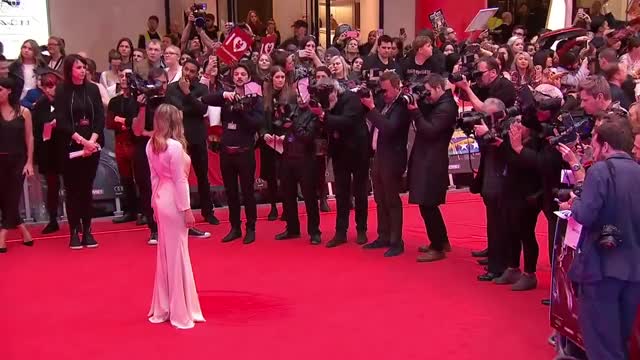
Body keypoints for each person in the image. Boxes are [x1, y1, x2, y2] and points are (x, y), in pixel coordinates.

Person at [559, 116, 640, 360]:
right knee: (620, 340)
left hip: (601, 270)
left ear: (605, 146)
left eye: (594, 145)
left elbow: (585, 214)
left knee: (603, 345)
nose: (593, 150)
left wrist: (574, 204)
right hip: (633, 271)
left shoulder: (600, 171)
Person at [146, 103, 205, 329]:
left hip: (161, 198)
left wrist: (153, 202)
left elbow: (153, 177)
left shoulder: (151, 145)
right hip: (174, 201)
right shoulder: (173, 147)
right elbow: (181, 181)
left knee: (165, 254)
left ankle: (166, 306)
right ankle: (181, 309)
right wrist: (187, 209)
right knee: (178, 252)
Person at [202, 63, 264, 244]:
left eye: (243, 74)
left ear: (249, 77)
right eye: (236, 74)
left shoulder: (255, 99)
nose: (239, 76)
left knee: (248, 192)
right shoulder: (226, 96)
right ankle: (235, 227)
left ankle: (250, 228)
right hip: (226, 152)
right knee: (230, 192)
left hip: (245, 152)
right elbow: (205, 99)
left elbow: (257, 123)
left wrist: (242, 110)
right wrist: (223, 95)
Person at [54, 54, 104, 249]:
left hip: (92, 147)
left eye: (84, 67)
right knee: (73, 190)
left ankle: (88, 230)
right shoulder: (62, 90)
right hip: (70, 147)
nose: (82, 71)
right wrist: (81, 141)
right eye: (78, 68)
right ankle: (74, 231)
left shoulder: (93, 89)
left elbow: (99, 117)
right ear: (69, 70)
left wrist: (91, 142)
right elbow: (63, 121)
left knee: (86, 190)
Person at [360, 72, 411, 257]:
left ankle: (397, 241)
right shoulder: (384, 103)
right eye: (381, 90)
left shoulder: (401, 105)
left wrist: (372, 107)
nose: (384, 94)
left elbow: (389, 128)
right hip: (379, 156)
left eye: (387, 90)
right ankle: (383, 236)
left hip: (393, 157)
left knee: (391, 199)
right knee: (380, 198)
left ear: (397, 87)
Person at [409, 74, 457, 262]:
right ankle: (441, 241)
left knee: (428, 202)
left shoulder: (446, 106)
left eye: (428, 91)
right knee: (427, 203)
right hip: (428, 157)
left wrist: (415, 111)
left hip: (432, 159)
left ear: (438, 88)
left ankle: (438, 247)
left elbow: (430, 130)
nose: (426, 95)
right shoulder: (440, 103)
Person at [166, 58, 219, 225]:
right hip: (178, 138)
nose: (188, 73)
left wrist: (188, 93)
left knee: (203, 176)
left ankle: (208, 212)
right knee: (178, 178)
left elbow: (203, 110)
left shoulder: (202, 88)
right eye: (186, 70)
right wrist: (192, 104)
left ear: (197, 74)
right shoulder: (171, 88)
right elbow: (176, 109)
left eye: (192, 71)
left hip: (197, 137)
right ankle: (180, 212)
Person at [319, 78, 370, 248]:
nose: (328, 101)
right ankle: (340, 232)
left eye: (330, 96)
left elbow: (347, 122)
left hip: (358, 152)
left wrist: (323, 115)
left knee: (360, 192)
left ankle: (361, 229)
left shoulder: (351, 98)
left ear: (335, 91)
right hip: (339, 153)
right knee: (341, 193)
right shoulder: (325, 102)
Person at [274, 79, 322, 245]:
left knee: (309, 197)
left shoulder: (314, 113)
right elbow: (280, 127)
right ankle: (292, 228)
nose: (301, 98)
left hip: (305, 159)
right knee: (288, 195)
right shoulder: (291, 109)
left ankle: (315, 231)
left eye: (304, 95)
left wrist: (293, 125)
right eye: (299, 95)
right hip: (287, 157)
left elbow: (308, 137)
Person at [0, 77, 35, 253]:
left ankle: (3, 234)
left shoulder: (24, 111)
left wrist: (29, 161)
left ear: (9, 91)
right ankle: (23, 229)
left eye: (0, 90)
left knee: (13, 195)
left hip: (18, 160)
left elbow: (29, 137)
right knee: (4, 199)